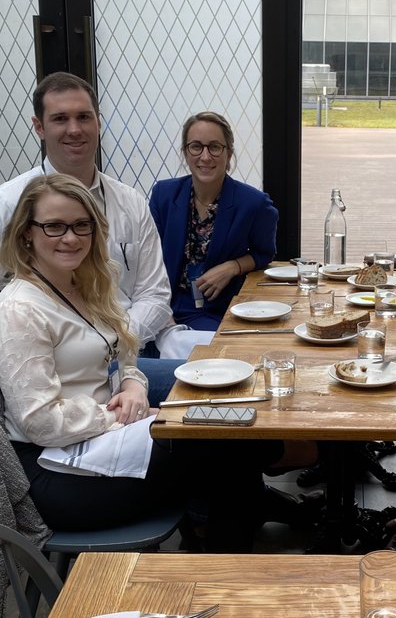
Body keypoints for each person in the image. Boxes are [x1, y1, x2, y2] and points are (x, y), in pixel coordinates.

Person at [0, 174, 280, 546]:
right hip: (53, 475)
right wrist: (120, 416)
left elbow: (124, 355)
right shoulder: (21, 309)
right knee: (227, 449)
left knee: (229, 446)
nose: (70, 237)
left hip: (97, 443)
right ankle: (223, 561)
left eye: (81, 225)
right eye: (54, 226)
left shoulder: (82, 286)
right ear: (26, 234)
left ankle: (216, 559)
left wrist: (133, 385)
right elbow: (40, 422)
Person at [0, 72, 179, 404]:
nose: (74, 129)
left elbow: (154, 295)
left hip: (128, 353)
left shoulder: (130, 202)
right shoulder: (8, 204)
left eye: (84, 117)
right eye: (60, 119)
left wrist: (111, 344)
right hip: (51, 366)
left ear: (99, 121)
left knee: (215, 386)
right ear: (39, 127)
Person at [149, 111, 278, 331]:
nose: (205, 157)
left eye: (215, 147)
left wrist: (232, 267)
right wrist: (158, 312)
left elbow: (264, 253)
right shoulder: (164, 195)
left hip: (215, 311)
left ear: (229, 154)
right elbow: (148, 258)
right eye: (196, 146)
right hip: (164, 304)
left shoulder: (254, 204)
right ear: (185, 152)